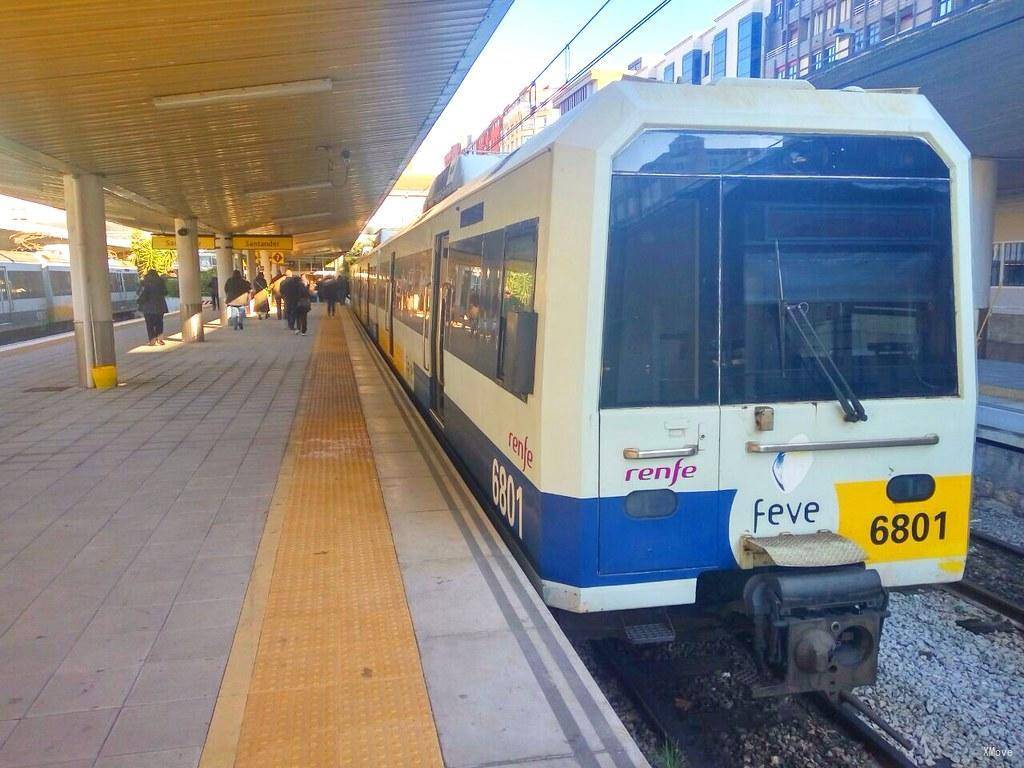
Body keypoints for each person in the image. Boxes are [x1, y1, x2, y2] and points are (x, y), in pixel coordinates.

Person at [137, 269, 168, 346]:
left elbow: (138, 292)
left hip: (147, 307)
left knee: (149, 324)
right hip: (160, 306)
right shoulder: (160, 281)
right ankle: (160, 339)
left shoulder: (144, 282)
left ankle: (152, 340)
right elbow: (165, 292)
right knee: (159, 323)